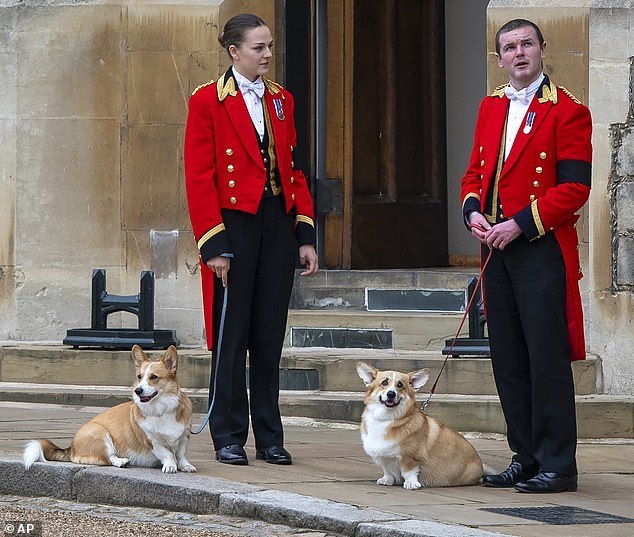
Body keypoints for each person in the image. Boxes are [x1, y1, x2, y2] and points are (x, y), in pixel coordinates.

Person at [460, 19, 591, 493]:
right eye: (509, 47)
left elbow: (576, 187)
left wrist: (519, 222)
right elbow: (474, 173)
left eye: (526, 45)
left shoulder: (568, 111)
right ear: (499, 58)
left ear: (542, 49)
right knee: (508, 358)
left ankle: (559, 463)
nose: (519, 53)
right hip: (496, 248)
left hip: (539, 247)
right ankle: (526, 455)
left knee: (545, 358)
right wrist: (474, 212)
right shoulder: (491, 105)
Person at [184, 13, 318, 466]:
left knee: (267, 336)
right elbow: (199, 178)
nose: (267, 54)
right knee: (231, 334)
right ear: (234, 51)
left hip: (276, 225)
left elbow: (294, 170)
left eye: (270, 46)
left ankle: (270, 436)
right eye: (259, 47)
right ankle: (227, 434)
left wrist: (304, 233)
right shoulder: (207, 100)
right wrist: (213, 245)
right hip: (232, 228)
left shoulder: (281, 99)